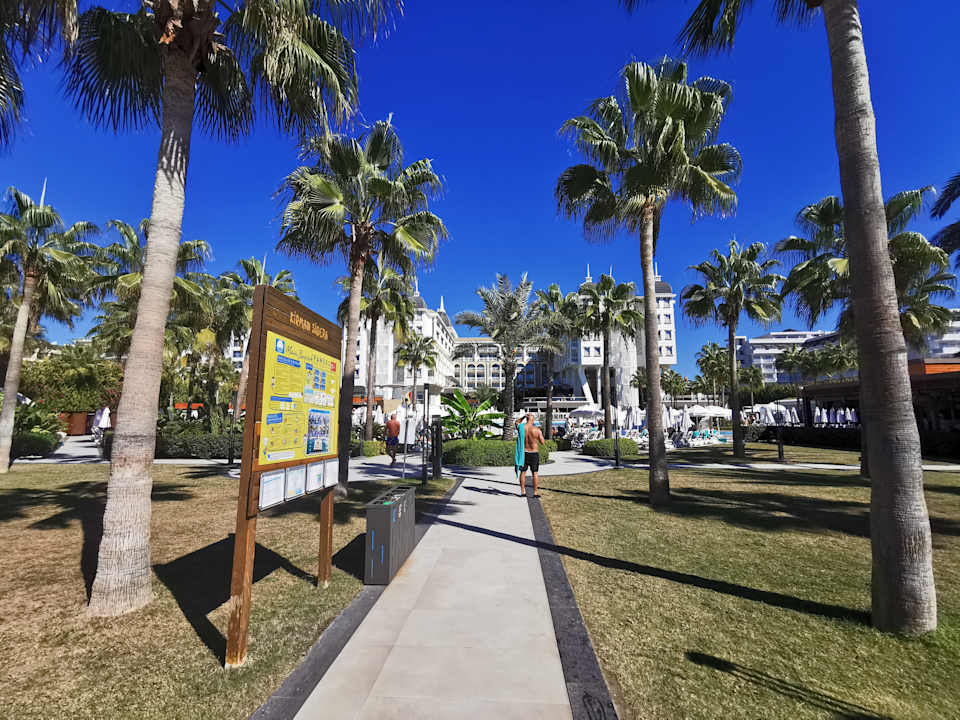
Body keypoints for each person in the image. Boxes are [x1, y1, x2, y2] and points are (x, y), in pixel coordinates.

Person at [516, 412, 545, 498]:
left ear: (527, 419)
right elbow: (542, 442)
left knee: (523, 472)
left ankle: (522, 492)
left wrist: (523, 417)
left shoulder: (522, 427)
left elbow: (517, 422)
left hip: (524, 453)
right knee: (535, 473)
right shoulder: (537, 430)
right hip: (534, 453)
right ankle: (535, 493)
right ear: (533, 420)